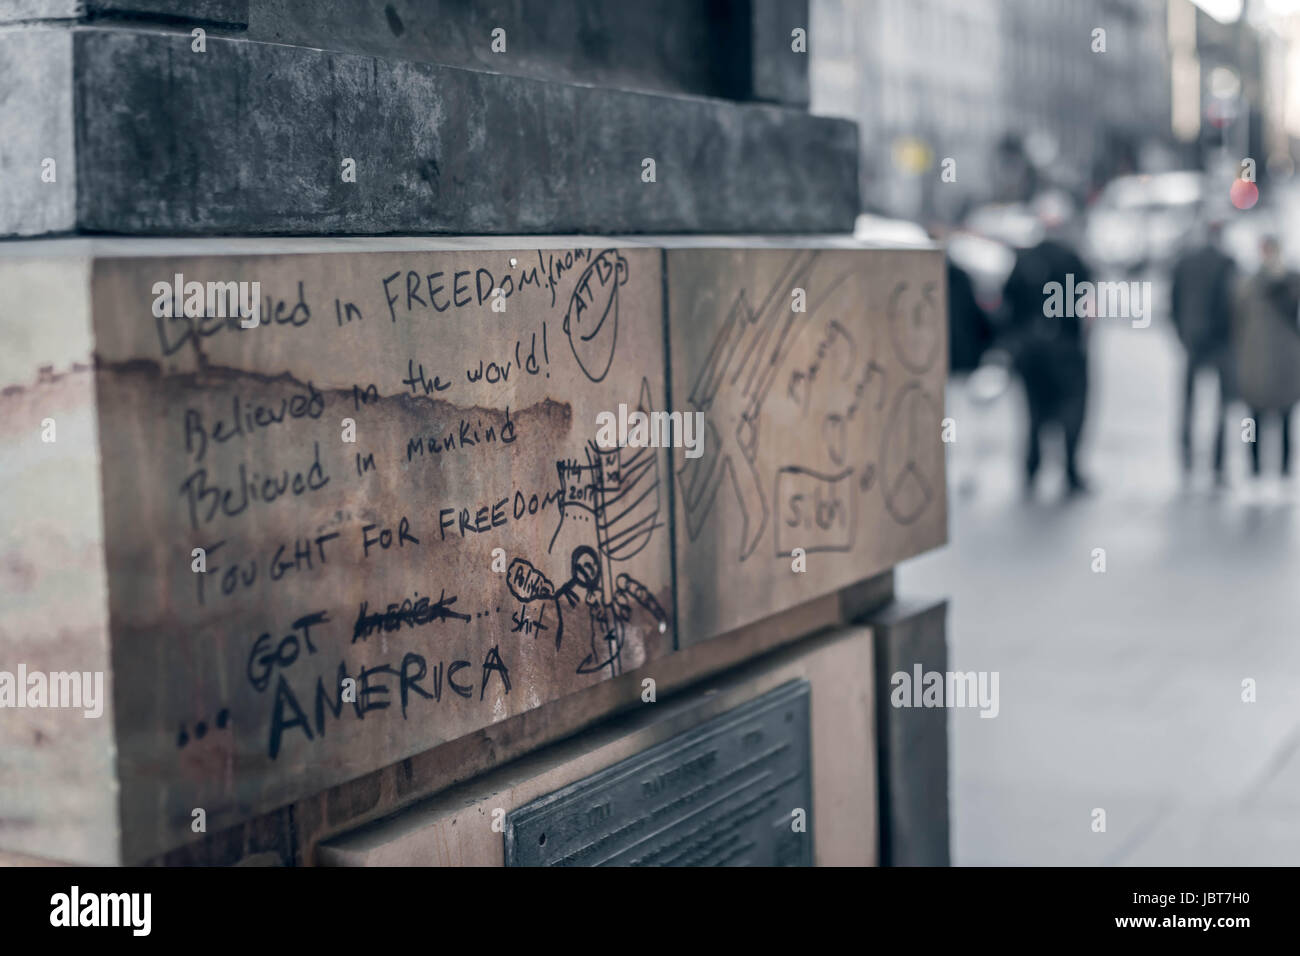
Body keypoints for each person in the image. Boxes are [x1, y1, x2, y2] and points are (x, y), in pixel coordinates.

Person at [1001, 192, 1091, 496]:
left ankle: (1032, 468)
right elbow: (1085, 306)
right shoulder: (1072, 260)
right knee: (1071, 410)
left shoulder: (1024, 261)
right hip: (1064, 348)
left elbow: (1008, 305)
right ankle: (1070, 471)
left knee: (1034, 412)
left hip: (1031, 349)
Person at [1169, 221, 1236, 483]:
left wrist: (1182, 333)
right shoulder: (1226, 262)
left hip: (1193, 339)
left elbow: (1173, 302)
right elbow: (1230, 302)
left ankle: (1187, 457)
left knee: (1189, 403)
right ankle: (1217, 463)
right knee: (1221, 403)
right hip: (1219, 340)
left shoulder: (1185, 262)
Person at [1234, 236, 1300, 476]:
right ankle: (1254, 470)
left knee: (1284, 421)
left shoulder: (1290, 282)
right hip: (1257, 364)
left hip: (1283, 365)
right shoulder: (1248, 285)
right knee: (1251, 423)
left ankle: (1283, 471)